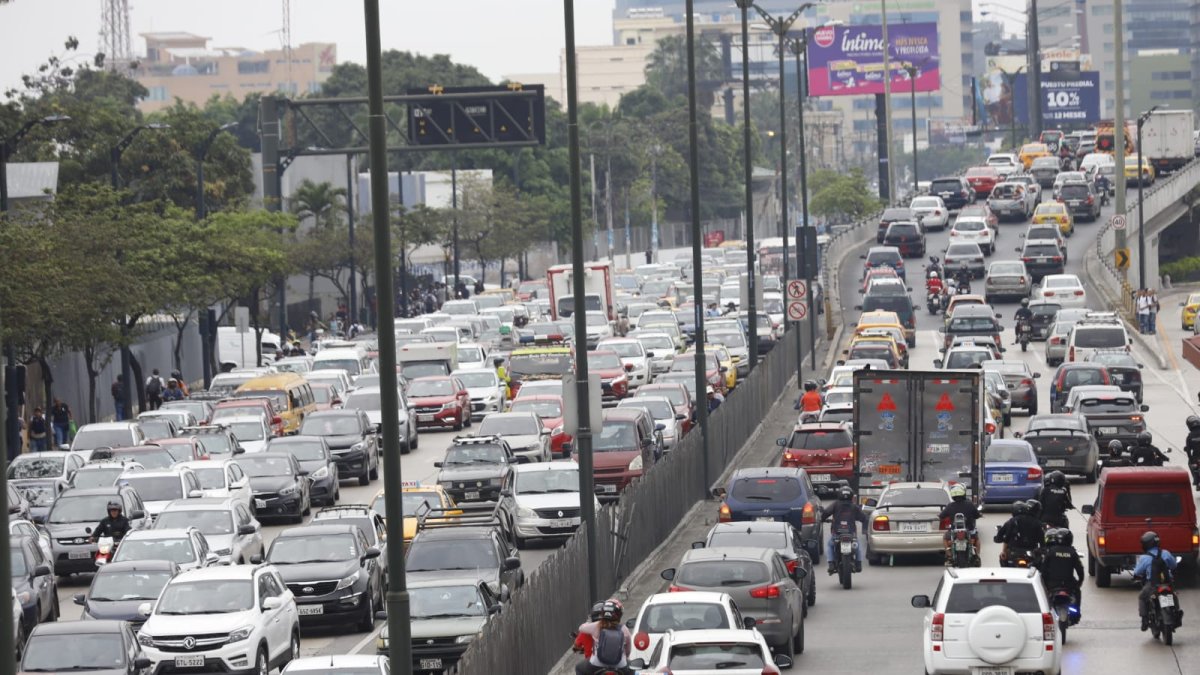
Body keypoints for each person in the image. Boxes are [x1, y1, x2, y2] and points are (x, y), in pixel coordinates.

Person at [1133, 531, 1178, 631]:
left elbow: (1137, 572)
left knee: (1142, 597)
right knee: (1174, 595)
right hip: (1167, 583)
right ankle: (1177, 613)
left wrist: (1135, 575)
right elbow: (1174, 565)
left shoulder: (1144, 558)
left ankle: (1144, 620)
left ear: (1145, 544)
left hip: (1153, 585)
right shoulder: (1166, 553)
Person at [1035, 527, 1085, 617]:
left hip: (1052, 584)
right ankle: (1076, 614)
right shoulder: (1072, 552)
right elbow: (1080, 569)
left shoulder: (1051, 551)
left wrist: (1044, 581)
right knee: (1077, 592)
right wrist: (1080, 581)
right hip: (1069, 584)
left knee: (1043, 594)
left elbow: (1044, 568)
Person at [574, 599, 631, 675]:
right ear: (619, 614)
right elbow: (628, 650)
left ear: (603, 613)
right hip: (620, 665)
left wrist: (588, 622)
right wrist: (625, 656)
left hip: (597, 664)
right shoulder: (624, 629)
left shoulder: (596, 626)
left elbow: (581, 628)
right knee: (632, 669)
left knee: (578, 668)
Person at [821, 485, 869, 574]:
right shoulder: (854, 507)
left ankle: (831, 564)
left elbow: (826, 512)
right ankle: (858, 563)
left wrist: (822, 519)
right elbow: (864, 518)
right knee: (857, 545)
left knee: (830, 545)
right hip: (851, 534)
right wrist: (865, 527)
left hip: (837, 534)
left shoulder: (835, 504)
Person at [939, 484, 983, 564]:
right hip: (969, 530)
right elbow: (976, 515)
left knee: (945, 538)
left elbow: (941, 516)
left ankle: (949, 555)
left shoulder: (950, 506)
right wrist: (980, 515)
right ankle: (977, 556)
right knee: (977, 539)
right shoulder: (970, 504)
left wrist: (939, 516)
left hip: (954, 531)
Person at [993, 500, 1044, 564]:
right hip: (1031, 552)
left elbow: (1006, 537)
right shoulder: (1037, 523)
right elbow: (1042, 541)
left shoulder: (1013, 521)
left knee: (1003, 558)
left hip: (1014, 552)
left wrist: (1003, 551)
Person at [1184, 415, 1200, 488]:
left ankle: (1196, 480)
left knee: (1190, 464)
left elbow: (1188, 450)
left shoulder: (1189, 436)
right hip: (1196, 458)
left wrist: (1191, 460)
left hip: (1196, 457)